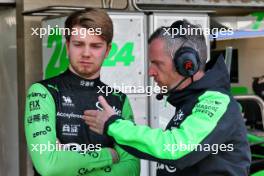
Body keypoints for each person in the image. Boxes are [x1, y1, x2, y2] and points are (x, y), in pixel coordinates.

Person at [83, 20, 251, 176]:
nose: (150, 72)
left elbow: (176, 149)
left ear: (187, 64)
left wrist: (113, 125)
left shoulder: (216, 101)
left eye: (157, 63)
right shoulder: (191, 101)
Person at [24, 8, 140, 176]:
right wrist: (109, 155)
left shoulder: (119, 100)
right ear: (67, 46)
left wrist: (65, 160)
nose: (86, 53)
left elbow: (131, 170)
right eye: (78, 44)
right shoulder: (42, 92)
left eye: (95, 46)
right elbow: (48, 166)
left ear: (107, 50)